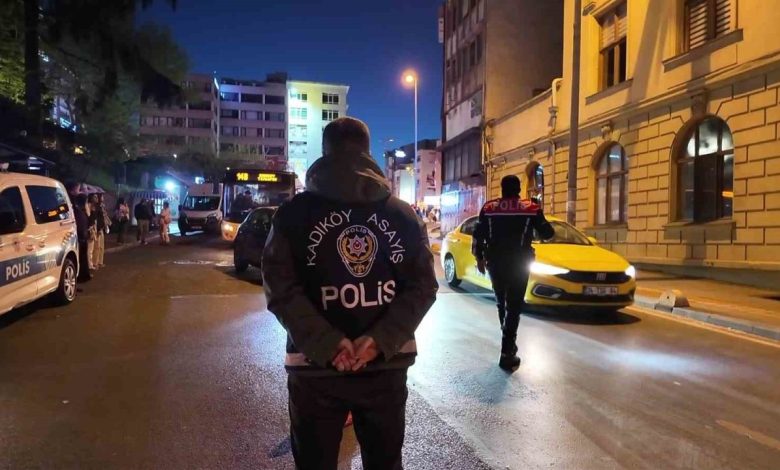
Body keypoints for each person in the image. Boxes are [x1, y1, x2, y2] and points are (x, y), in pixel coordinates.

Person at [263, 117, 438, 470]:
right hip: (385, 365)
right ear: (367, 152)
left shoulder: (293, 215)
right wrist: (378, 340)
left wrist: (328, 343)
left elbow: (279, 286)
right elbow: (423, 286)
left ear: (325, 151)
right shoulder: (403, 215)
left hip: (314, 369)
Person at [473, 175, 554, 371]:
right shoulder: (531, 208)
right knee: (514, 305)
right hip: (520, 262)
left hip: (495, 262)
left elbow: (478, 235)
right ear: (519, 189)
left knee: (502, 302)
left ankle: (508, 342)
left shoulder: (489, 208)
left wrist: (479, 258)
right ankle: (507, 351)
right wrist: (538, 215)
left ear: (502, 188)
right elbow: (548, 233)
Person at [73, 194, 92, 283]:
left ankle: (84, 275)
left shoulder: (82, 212)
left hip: (83, 238)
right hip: (80, 239)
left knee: (83, 258)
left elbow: (88, 222)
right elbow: (80, 227)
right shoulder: (78, 212)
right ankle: (81, 276)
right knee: (81, 258)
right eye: (86, 202)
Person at [92, 193, 111, 269]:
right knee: (97, 246)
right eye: (102, 196)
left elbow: (104, 217)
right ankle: (95, 263)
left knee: (101, 247)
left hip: (101, 228)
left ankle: (100, 262)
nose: (103, 197)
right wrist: (98, 228)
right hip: (98, 229)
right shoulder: (96, 207)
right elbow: (96, 219)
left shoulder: (101, 206)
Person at [86, 194, 98, 271]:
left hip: (93, 228)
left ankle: (91, 264)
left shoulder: (94, 207)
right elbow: (89, 218)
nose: (96, 198)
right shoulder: (88, 206)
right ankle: (89, 265)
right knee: (89, 249)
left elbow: (94, 220)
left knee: (92, 248)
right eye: (95, 197)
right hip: (89, 229)